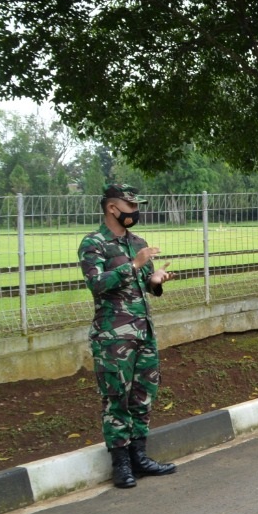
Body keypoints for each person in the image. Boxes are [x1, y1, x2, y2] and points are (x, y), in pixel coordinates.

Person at [79, 184, 177, 489]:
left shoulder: (138, 242)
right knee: (116, 398)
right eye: (130, 205)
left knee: (142, 395)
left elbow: (145, 283)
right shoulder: (94, 243)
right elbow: (97, 284)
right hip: (113, 335)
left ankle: (140, 457)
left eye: (137, 205)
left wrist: (155, 280)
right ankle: (121, 464)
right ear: (112, 208)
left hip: (143, 331)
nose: (135, 211)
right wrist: (133, 265)